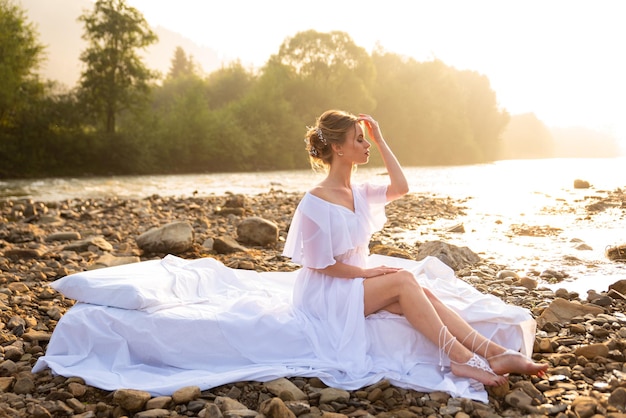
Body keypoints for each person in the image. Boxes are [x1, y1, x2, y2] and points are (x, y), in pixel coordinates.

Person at [282, 109, 548, 387]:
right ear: (337, 147)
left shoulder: (359, 192)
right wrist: (368, 274)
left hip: (351, 283)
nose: (366, 145)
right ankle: (461, 358)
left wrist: (381, 140)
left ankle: (495, 353)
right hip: (324, 291)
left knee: (422, 293)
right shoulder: (316, 200)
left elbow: (401, 187)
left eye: (366, 139)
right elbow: (319, 264)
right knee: (404, 280)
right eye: (359, 140)